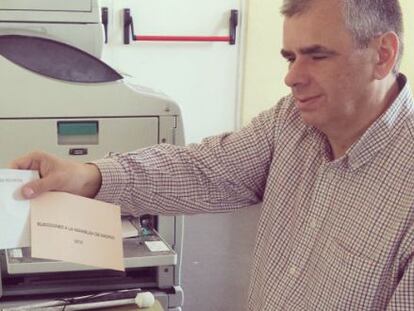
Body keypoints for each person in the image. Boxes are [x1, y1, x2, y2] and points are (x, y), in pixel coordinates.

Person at [10, 0, 414, 309]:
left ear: (382, 55)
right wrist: (86, 176)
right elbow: (203, 169)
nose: (292, 77)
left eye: (317, 55)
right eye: (290, 57)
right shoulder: (290, 122)